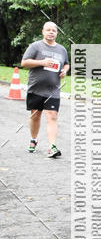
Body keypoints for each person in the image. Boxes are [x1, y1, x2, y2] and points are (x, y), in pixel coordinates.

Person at [21, 21, 70, 158]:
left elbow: (66, 64)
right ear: (43, 31)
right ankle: (34, 139)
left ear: (57, 33)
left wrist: (64, 71)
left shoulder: (62, 49)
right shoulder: (35, 46)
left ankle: (52, 147)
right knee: (35, 115)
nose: (50, 32)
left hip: (53, 90)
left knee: (52, 115)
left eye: (53, 30)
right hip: (36, 88)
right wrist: (42, 62)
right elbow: (24, 62)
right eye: (48, 30)